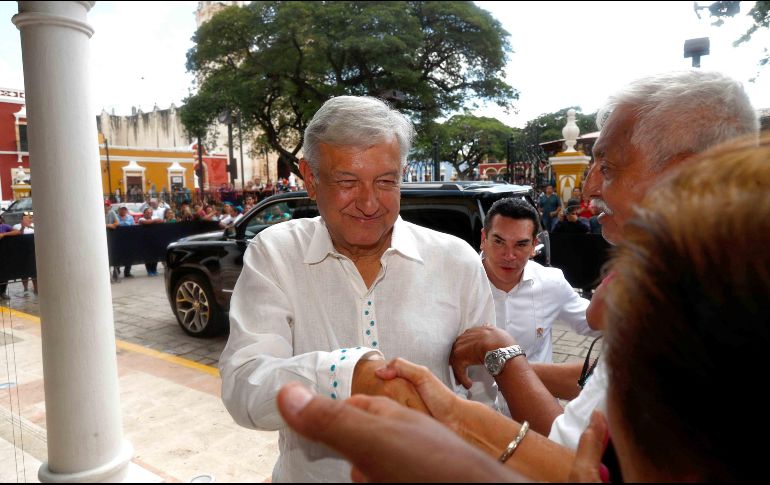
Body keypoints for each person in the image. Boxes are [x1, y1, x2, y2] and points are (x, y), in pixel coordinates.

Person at [277, 136, 770, 483]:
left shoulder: (553, 287)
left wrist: (503, 361)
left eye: (642, 266)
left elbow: (567, 439)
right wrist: (455, 416)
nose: (598, 309)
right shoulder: (458, 270)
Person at [219, 95, 497, 482]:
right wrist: (345, 376)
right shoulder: (276, 254)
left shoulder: (457, 262)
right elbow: (244, 388)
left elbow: (483, 400)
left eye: (385, 182)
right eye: (347, 181)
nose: (369, 203)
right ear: (310, 179)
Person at [477, 197, 598, 365]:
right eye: (499, 242)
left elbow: (592, 322)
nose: (509, 255)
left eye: (521, 245)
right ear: (484, 238)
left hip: (537, 389)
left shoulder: (551, 282)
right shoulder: (459, 282)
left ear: (534, 245)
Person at [0, 214, 21, 300]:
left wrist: (4, 234)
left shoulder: (4, 226)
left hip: (3, 255)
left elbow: (17, 232)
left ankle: (2, 292)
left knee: (4, 274)